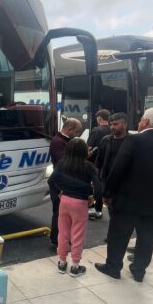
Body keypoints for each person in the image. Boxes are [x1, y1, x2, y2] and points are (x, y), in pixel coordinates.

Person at [94, 107, 153, 282]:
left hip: (128, 201)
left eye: (141, 119)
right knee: (147, 238)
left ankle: (113, 267)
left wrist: (108, 192)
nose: (139, 122)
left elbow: (118, 169)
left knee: (119, 235)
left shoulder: (134, 140)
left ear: (146, 122)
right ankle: (139, 270)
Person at [49, 137, 96, 277]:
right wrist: (93, 198)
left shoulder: (62, 163)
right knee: (78, 235)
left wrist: (59, 193)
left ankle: (62, 263)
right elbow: (99, 187)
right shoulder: (88, 166)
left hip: (64, 200)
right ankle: (75, 266)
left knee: (62, 233)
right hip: (80, 203)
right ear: (84, 151)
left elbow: (51, 181)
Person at [48, 118, 83, 251]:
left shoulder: (65, 140)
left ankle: (62, 239)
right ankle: (55, 241)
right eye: (77, 131)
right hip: (59, 183)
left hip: (65, 182)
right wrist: (81, 158)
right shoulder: (57, 142)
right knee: (58, 212)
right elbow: (64, 162)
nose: (77, 134)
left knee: (65, 214)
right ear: (69, 129)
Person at [87, 109, 111, 220]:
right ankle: (99, 210)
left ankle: (94, 209)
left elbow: (89, 147)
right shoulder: (112, 130)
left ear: (99, 118)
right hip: (108, 162)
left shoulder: (96, 130)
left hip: (95, 163)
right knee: (102, 184)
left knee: (95, 186)